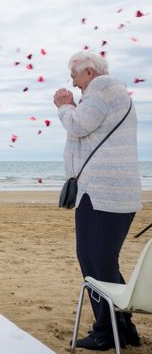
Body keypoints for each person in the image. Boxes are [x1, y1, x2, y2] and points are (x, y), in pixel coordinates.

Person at [54, 51, 141, 350]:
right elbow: (90, 127)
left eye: (75, 76)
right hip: (115, 192)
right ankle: (123, 328)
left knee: (92, 261)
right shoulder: (112, 90)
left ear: (88, 72)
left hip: (101, 193)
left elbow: (78, 125)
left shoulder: (101, 87)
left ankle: (106, 331)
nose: (74, 84)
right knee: (104, 261)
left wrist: (64, 107)